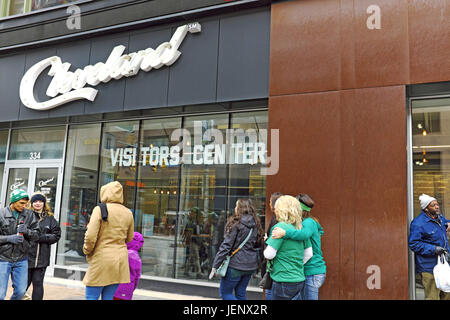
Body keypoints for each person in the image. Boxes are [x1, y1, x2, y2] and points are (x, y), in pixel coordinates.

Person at [83, 181, 135, 300]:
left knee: (91, 296)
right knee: (109, 297)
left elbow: (90, 236)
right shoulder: (128, 212)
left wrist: (87, 250)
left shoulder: (100, 209)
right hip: (120, 260)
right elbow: (130, 237)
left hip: (102, 258)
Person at [271, 194, 326, 300]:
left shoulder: (309, 222)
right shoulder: (305, 222)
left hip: (312, 271)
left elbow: (303, 235)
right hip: (306, 272)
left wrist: (284, 233)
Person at [210, 199, 264, 300]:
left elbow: (226, 246)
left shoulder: (236, 224)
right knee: (241, 294)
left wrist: (215, 266)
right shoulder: (256, 224)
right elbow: (258, 244)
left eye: (236, 206)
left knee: (225, 293)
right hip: (250, 265)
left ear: (239, 209)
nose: (234, 208)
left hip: (235, 265)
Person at [264, 195, 312, 300]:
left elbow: (269, 254)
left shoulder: (280, 228)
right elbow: (309, 253)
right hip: (299, 278)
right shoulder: (301, 227)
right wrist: (294, 264)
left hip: (282, 279)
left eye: (276, 208)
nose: (275, 211)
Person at [0, 189, 40, 300]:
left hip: (21, 259)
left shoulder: (29, 215)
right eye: (21, 203)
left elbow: (37, 235)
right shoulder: (1, 214)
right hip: (2, 258)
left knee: (21, 292)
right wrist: (9, 238)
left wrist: (27, 231)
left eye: (26, 204)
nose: (24, 206)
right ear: (13, 201)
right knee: (0, 294)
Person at [409, 193, 450, 300]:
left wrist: (449, 223)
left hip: (444, 266)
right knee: (432, 297)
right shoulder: (418, 223)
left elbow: (446, 223)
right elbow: (414, 244)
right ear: (426, 209)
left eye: (437, 204)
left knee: (447, 295)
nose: (437, 207)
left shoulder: (439, 218)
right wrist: (434, 249)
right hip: (429, 268)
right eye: (433, 205)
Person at [25, 191, 61, 300]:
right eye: (35, 201)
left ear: (44, 203)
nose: (37, 203)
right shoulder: (26, 216)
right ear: (31, 203)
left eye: (40, 201)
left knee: (38, 283)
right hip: (26, 257)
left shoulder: (50, 219)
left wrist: (40, 237)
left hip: (42, 258)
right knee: (22, 285)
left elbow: (56, 235)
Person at [261, 192, 283, 300]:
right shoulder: (281, 219)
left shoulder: (277, 220)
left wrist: (267, 240)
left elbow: (270, 251)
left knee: (270, 290)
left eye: (270, 201)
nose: (268, 203)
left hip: (274, 262)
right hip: (279, 264)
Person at [113, 232, 144, 300]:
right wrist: (132, 288)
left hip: (115, 288)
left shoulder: (120, 254)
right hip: (128, 289)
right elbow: (137, 277)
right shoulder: (137, 259)